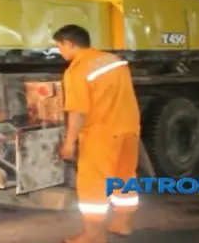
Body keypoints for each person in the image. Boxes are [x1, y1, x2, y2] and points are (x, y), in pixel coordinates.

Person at [53, 25, 140, 243]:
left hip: (101, 133)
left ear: (70, 44)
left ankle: (93, 236)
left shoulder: (78, 69)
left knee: (93, 185)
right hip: (129, 128)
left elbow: (78, 111)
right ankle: (123, 223)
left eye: (59, 46)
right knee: (125, 176)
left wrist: (69, 143)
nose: (59, 51)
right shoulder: (114, 60)